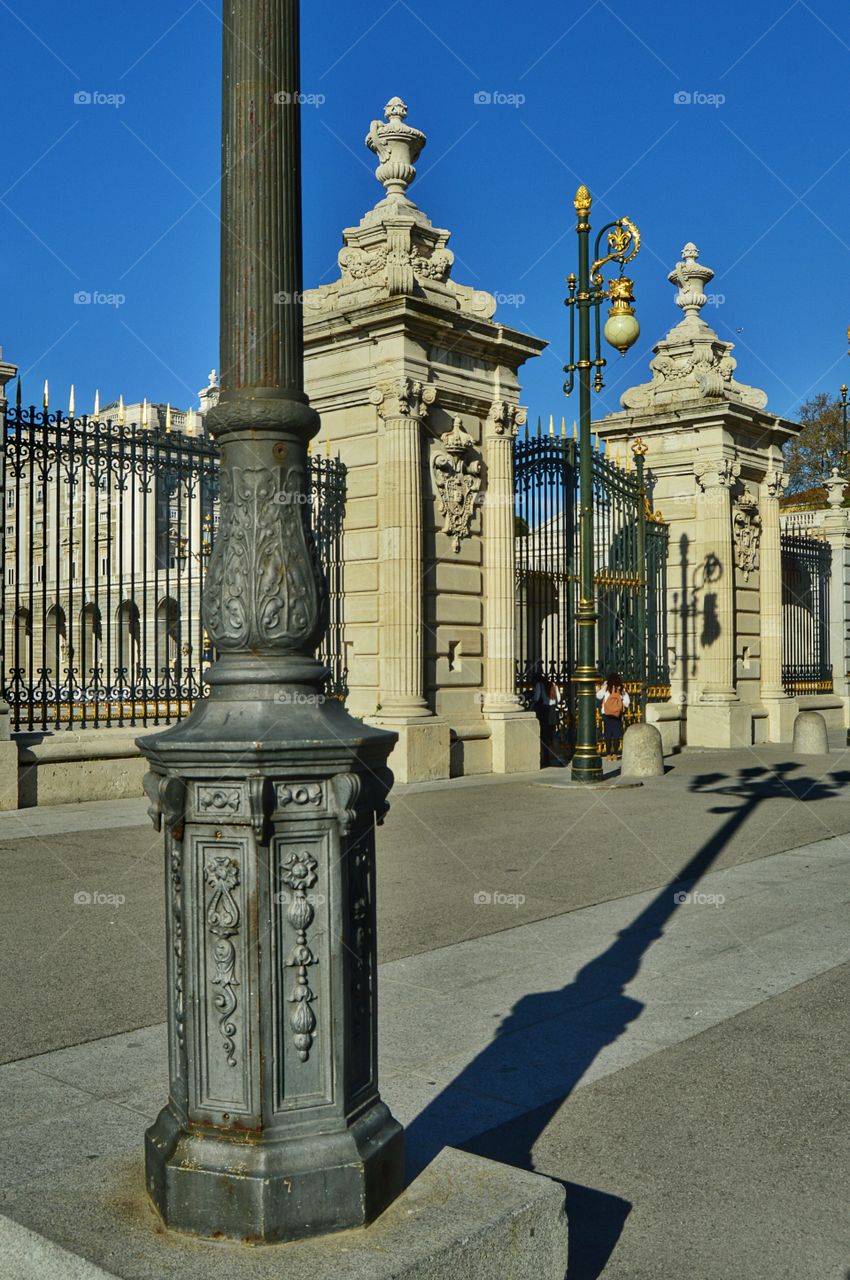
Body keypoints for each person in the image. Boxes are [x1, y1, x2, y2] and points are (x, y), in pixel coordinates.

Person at [596, 672, 630, 762]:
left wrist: (603, 685)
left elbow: (598, 696)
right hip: (617, 713)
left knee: (607, 733)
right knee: (616, 733)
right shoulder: (621, 689)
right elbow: (627, 703)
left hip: (606, 713)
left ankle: (608, 755)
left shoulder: (607, 688)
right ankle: (615, 754)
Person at [531, 667, 561, 768]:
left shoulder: (540, 685)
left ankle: (546, 758)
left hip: (545, 711)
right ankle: (557, 756)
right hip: (553, 711)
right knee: (553, 735)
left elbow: (536, 697)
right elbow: (559, 698)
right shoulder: (553, 685)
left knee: (544, 736)